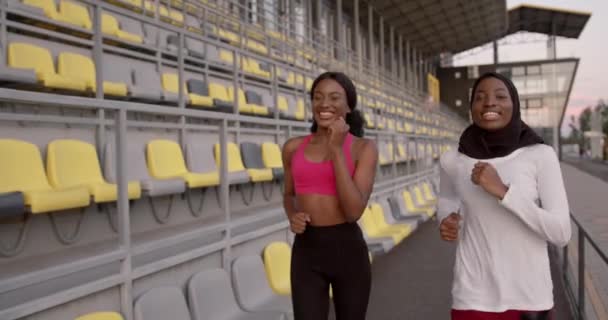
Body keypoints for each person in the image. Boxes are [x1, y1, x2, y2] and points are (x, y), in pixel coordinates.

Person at [438, 72, 571, 320]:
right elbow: (446, 200)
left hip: (530, 299)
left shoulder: (540, 155)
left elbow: (561, 233)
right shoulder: (453, 160)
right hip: (472, 297)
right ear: (472, 108)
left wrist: (504, 192)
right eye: (480, 97)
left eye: (500, 96)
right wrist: (446, 219)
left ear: (514, 105)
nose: (489, 102)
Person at [281, 71, 378, 320]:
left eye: (334, 98)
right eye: (318, 97)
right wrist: (293, 214)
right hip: (306, 251)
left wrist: (336, 149)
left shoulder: (364, 148)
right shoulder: (293, 147)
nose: (324, 104)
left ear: (348, 106)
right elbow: (289, 194)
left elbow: (353, 211)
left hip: (348, 251)